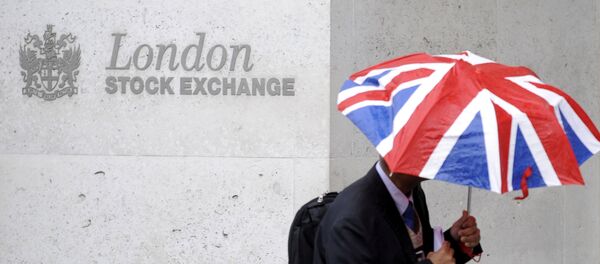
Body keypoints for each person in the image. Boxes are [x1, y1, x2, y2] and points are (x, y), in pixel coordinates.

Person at [313, 158, 482, 264]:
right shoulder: (352, 221)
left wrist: (454, 240)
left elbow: (415, 252)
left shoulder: (413, 191)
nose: (439, 155)